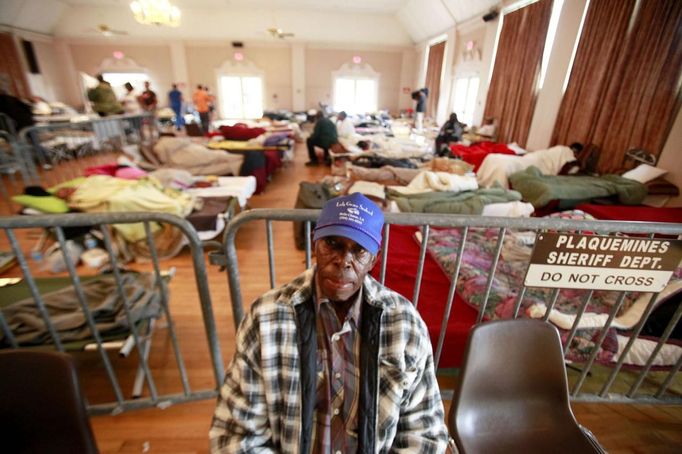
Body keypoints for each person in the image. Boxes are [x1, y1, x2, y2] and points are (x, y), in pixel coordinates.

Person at [209, 192, 449, 453]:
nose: (344, 261)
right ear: (315, 244)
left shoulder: (404, 324)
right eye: (333, 244)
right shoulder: (266, 318)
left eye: (359, 251)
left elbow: (424, 435)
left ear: (374, 260)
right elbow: (236, 436)